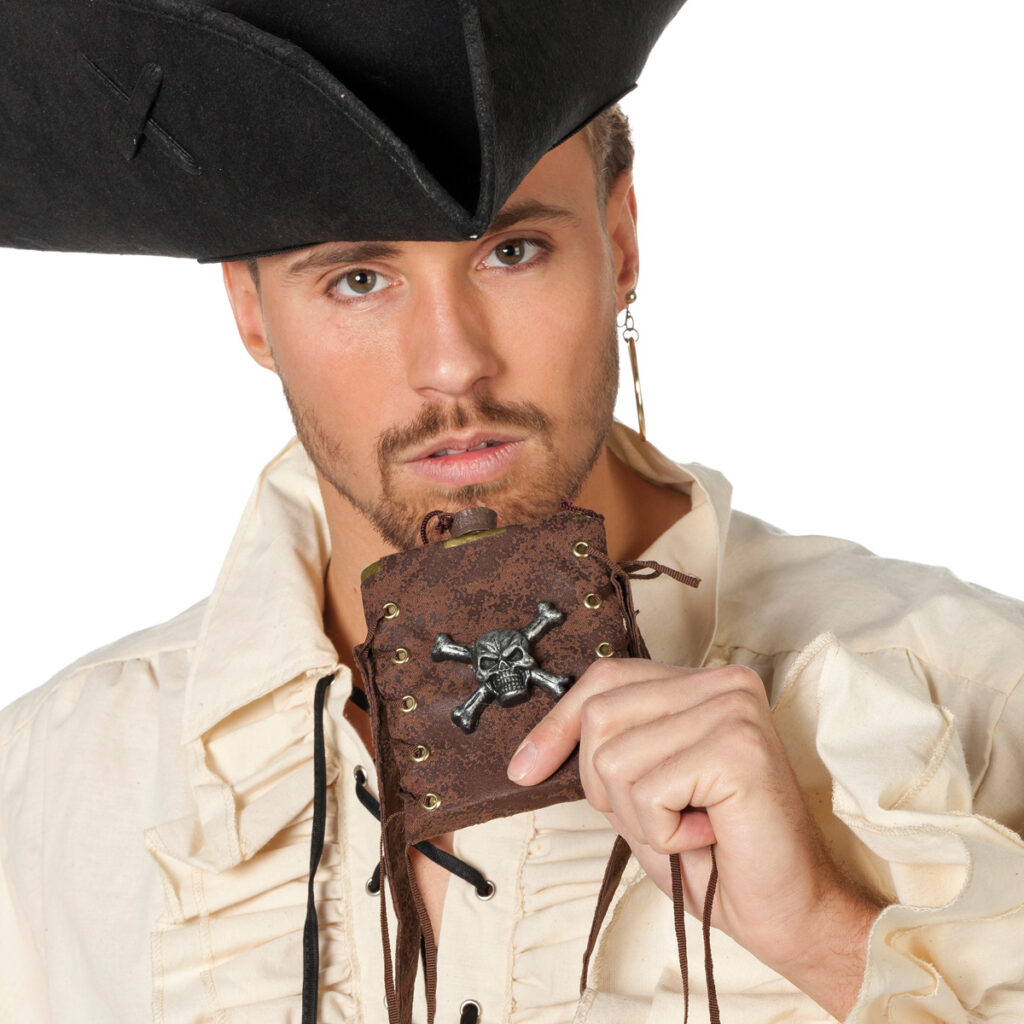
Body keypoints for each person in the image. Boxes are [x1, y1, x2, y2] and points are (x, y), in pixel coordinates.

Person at [2, 4, 1023, 1023]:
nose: (453, 363)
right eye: (359, 279)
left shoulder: (970, 703)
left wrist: (822, 934)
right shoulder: (52, 787)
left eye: (512, 252)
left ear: (620, 240)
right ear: (251, 312)